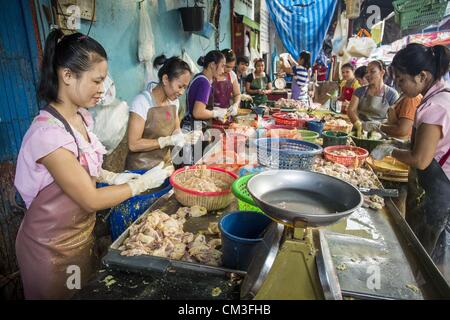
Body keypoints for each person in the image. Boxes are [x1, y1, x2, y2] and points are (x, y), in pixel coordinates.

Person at [14, 30, 172, 299]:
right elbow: (90, 199)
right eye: (97, 81)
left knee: (81, 292)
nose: (103, 89)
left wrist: (111, 177)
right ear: (67, 76)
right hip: (50, 249)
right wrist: (142, 183)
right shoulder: (47, 135)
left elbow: (82, 166)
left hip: (79, 239)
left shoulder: (80, 118)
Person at [370, 44, 450, 281]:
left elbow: (421, 159)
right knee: (425, 248)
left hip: (439, 192)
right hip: (431, 188)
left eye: (402, 80)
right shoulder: (435, 98)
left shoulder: (436, 106)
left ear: (422, 76)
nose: (399, 86)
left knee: (431, 258)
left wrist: (390, 151)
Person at [126, 55, 192, 170]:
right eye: (180, 86)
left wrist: (184, 137)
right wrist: (165, 141)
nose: (182, 92)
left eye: (185, 88)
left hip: (164, 168)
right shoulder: (142, 102)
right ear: (165, 79)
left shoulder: (174, 103)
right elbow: (133, 144)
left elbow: (176, 130)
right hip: (141, 171)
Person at [347, 60, 399, 137]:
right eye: (367, 72)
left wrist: (378, 127)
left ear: (382, 72)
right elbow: (351, 110)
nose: (368, 75)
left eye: (372, 71)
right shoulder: (359, 91)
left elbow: (394, 121)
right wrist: (359, 124)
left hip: (380, 134)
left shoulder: (392, 94)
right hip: (359, 132)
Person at [181, 50, 227, 132]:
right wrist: (216, 113)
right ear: (212, 65)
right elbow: (198, 112)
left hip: (193, 124)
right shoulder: (204, 82)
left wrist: (216, 111)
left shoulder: (199, 77)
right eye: (222, 66)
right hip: (195, 127)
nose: (223, 71)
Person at [210, 49, 241, 117]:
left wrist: (235, 105)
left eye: (232, 67)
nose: (229, 70)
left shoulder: (232, 74)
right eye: (227, 66)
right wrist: (215, 112)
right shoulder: (212, 74)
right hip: (210, 115)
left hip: (225, 115)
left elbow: (237, 94)